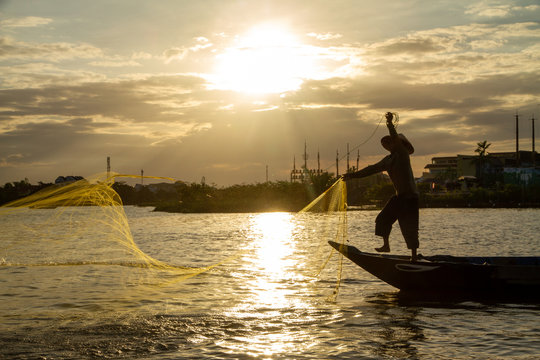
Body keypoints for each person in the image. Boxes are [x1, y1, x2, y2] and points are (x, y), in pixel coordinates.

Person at [342, 112, 419, 261]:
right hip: (399, 197)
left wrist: (389, 124)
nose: (388, 146)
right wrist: (351, 176)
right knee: (382, 219)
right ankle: (386, 245)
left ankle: (414, 257)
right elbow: (371, 169)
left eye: (390, 143)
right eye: (386, 144)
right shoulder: (388, 160)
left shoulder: (403, 154)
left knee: (409, 227)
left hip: (410, 197)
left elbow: (395, 138)